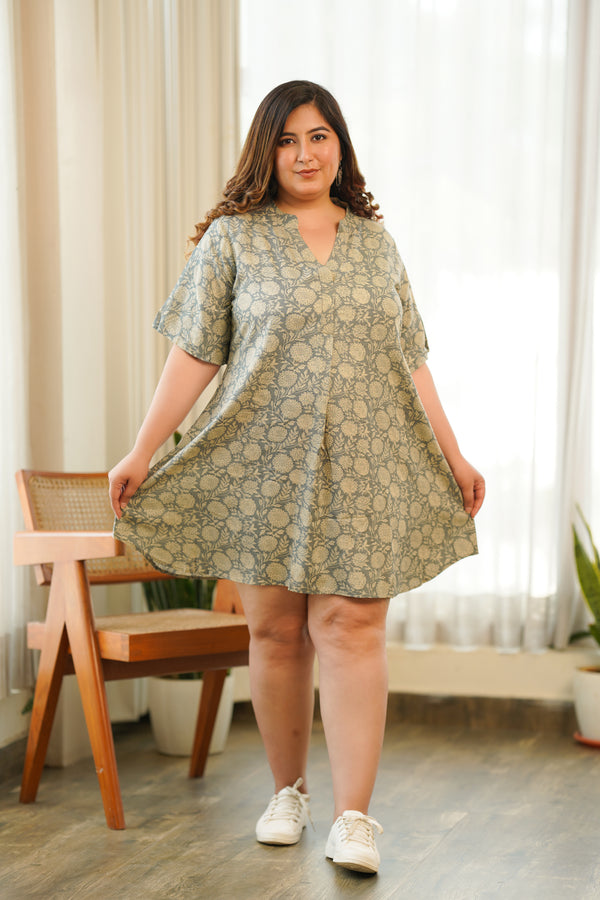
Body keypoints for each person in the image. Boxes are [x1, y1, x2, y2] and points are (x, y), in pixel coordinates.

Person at [108, 80, 485, 876]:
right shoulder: (233, 239)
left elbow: (410, 358)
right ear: (266, 151)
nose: (304, 154)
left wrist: (454, 455)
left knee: (352, 627)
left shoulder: (377, 244)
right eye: (286, 140)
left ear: (340, 145)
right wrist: (142, 449)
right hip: (262, 460)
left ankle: (355, 818)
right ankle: (288, 792)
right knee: (276, 632)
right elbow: (195, 353)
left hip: (368, 458)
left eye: (318, 137)